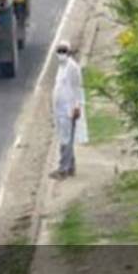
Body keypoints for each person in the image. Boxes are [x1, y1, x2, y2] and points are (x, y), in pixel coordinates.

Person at [50, 42, 87, 179]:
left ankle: (63, 169)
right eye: (59, 50)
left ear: (68, 51)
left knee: (66, 140)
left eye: (63, 50)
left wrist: (77, 106)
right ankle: (70, 167)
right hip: (60, 109)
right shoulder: (61, 67)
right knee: (65, 138)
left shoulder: (72, 68)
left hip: (69, 109)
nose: (61, 53)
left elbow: (77, 88)